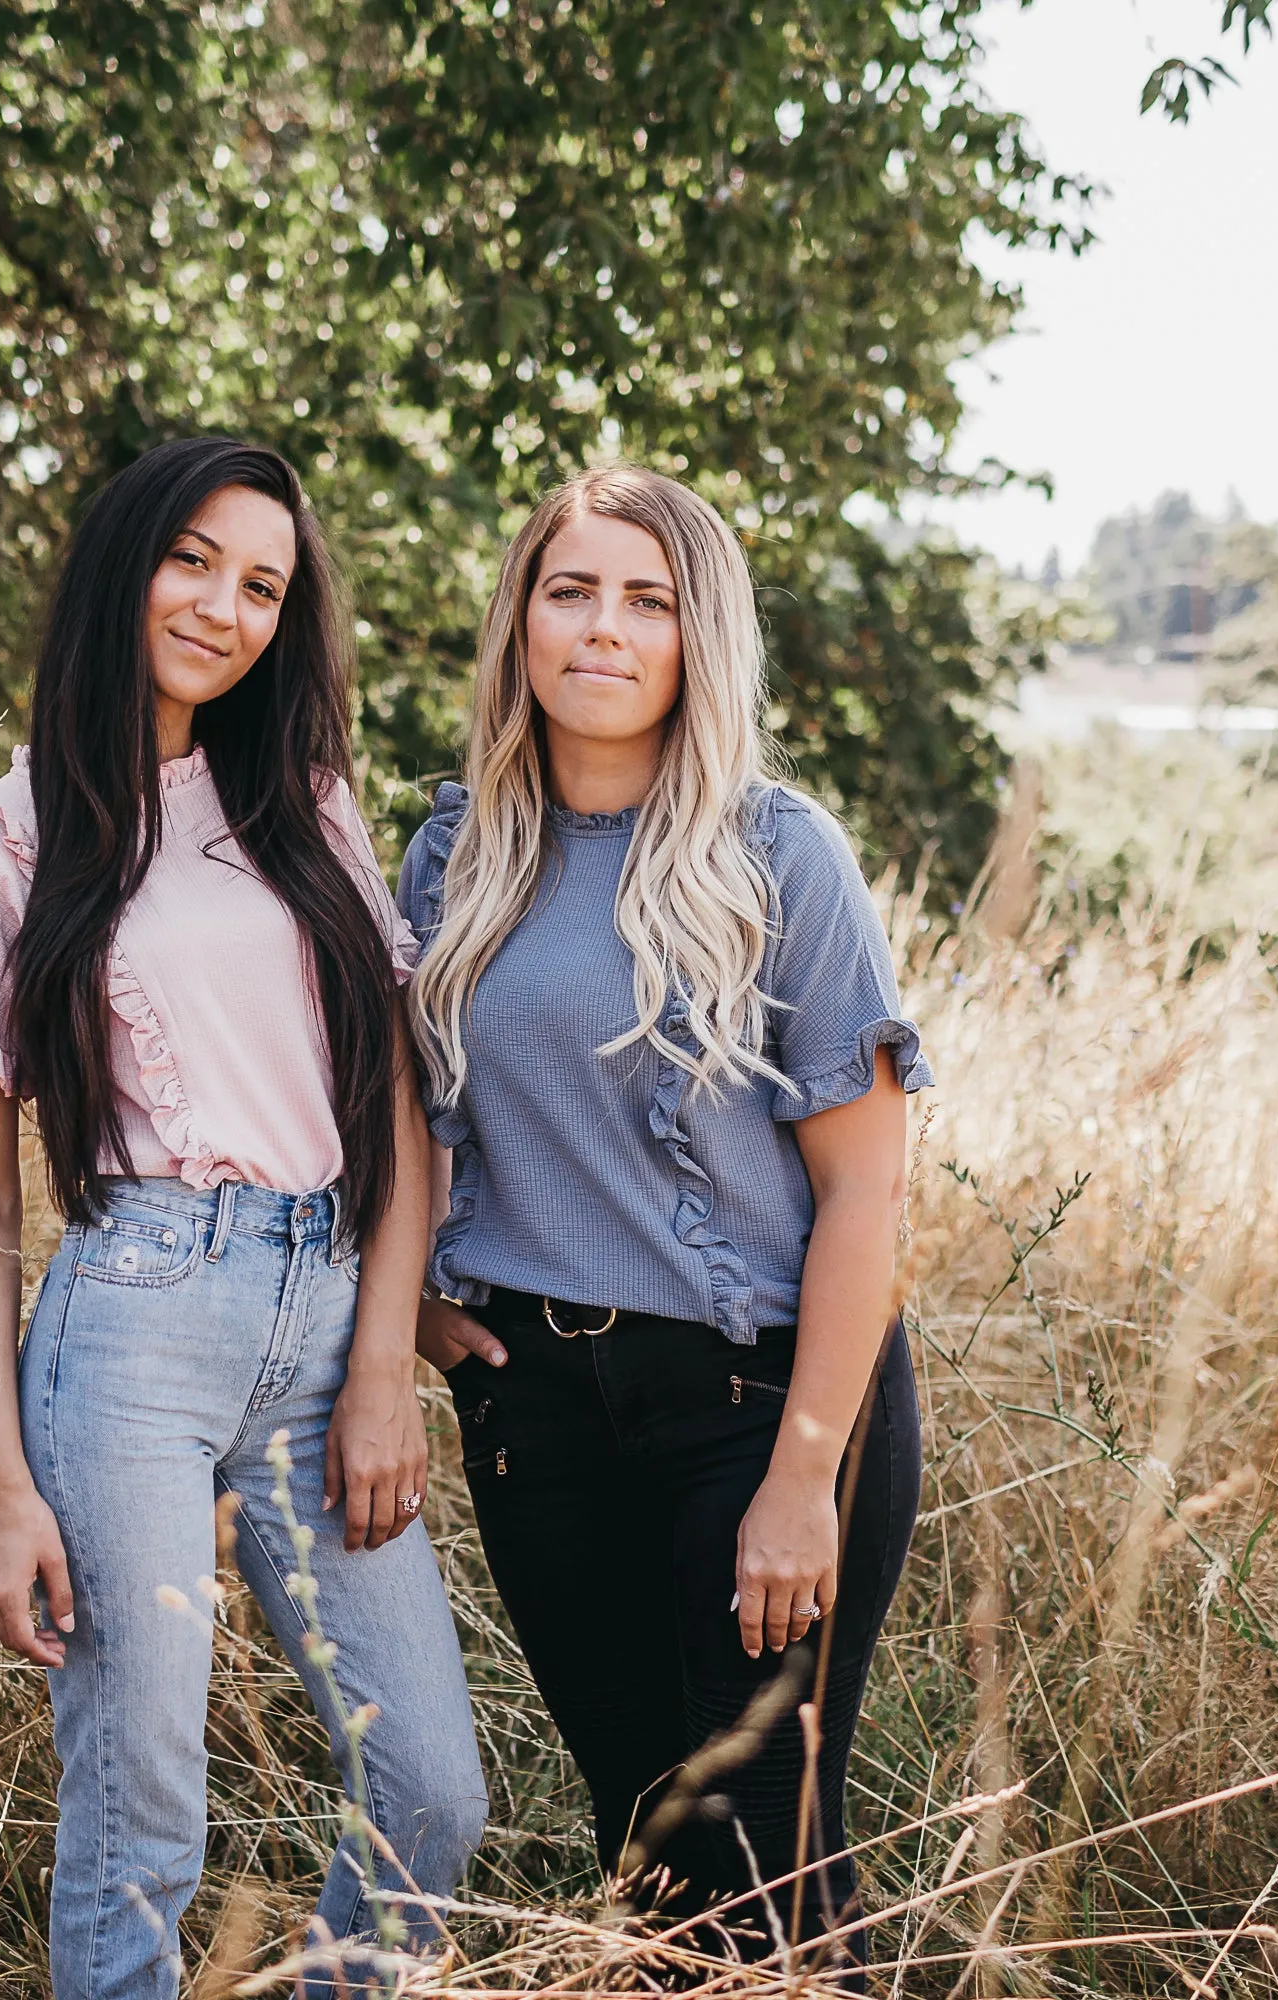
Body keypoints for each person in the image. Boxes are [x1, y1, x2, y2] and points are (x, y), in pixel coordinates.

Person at [0, 437, 486, 2000]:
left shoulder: (309, 811)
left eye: (264, 585)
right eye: (194, 560)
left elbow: (399, 1110)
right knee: (144, 1825)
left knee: (431, 1796)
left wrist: (380, 1373)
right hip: (130, 1332)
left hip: (327, 1314)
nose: (225, 607)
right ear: (124, 565)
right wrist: (0, 1485)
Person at [402, 466, 927, 1964]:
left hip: (759, 1406)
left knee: (763, 1863)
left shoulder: (777, 855)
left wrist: (802, 1479)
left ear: (702, 638)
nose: (605, 630)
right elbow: (402, 1114)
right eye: (571, 591)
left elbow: (865, 1192)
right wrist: (429, 1307)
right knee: (648, 1854)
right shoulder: (456, 857)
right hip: (540, 1420)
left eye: (652, 600)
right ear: (520, 621)